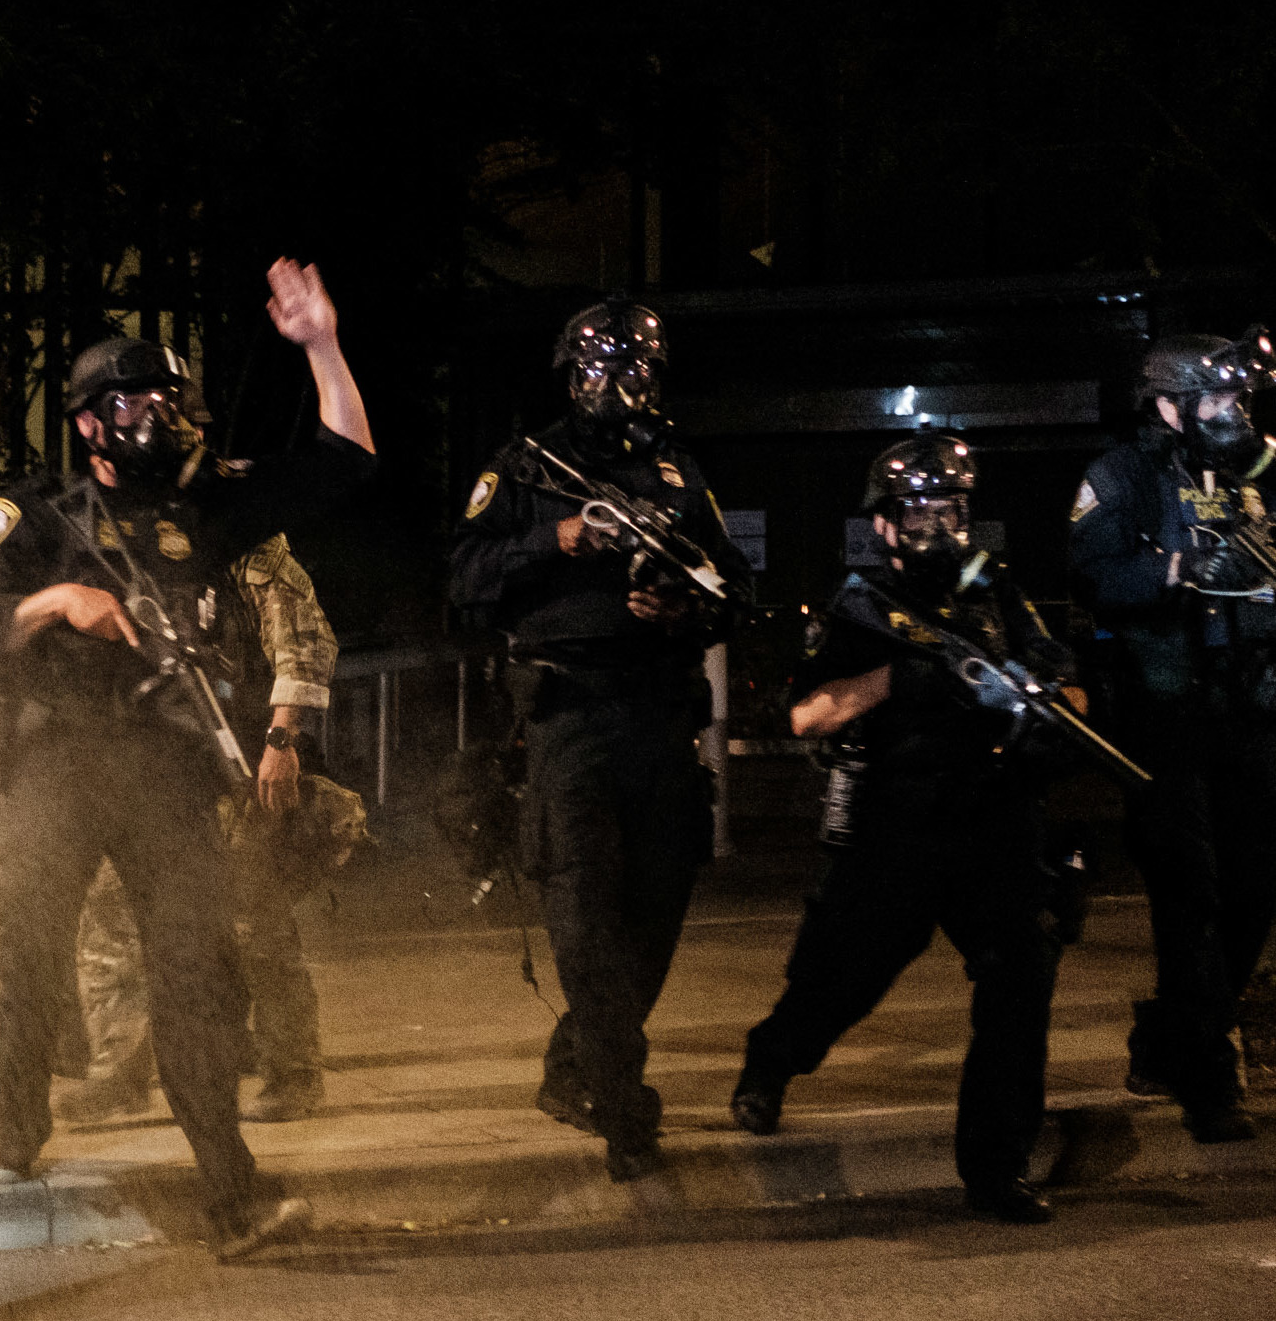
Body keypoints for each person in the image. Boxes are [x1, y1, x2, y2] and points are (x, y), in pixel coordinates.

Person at [0, 259, 373, 1255]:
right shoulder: (37, 517)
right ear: (90, 422)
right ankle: (15, 1142)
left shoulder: (207, 506)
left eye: (168, 397)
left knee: (192, 977)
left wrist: (319, 342)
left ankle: (232, 1198)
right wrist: (53, 603)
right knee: (31, 965)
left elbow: (344, 459)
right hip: (53, 770)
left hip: (166, 771)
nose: (155, 415)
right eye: (131, 401)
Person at [731, 434, 1078, 1222]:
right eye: (915, 509)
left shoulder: (997, 596)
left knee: (1019, 985)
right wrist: (901, 675)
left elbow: (1066, 686)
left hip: (994, 822)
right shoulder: (856, 608)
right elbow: (805, 714)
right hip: (898, 826)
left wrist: (1042, 700)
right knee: (840, 983)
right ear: (882, 523)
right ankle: (771, 1063)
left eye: (948, 508)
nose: (933, 524)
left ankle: (995, 1169)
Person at [448, 297, 750, 1181]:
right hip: (567, 717)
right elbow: (465, 577)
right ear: (569, 374)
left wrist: (685, 603)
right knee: (582, 924)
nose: (615, 387)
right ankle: (624, 1108)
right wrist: (560, 538)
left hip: (660, 717)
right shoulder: (525, 467)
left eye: (634, 370)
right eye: (596, 369)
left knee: (653, 917)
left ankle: (574, 1070)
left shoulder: (678, 472)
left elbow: (735, 587)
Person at [57, 532, 357, 1127]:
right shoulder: (93, 535)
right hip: (134, 761)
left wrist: (282, 740)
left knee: (253, 919)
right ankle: (121, 1074)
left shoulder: (234, 534)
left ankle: (292, 1070)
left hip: (229, 757)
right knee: (112, 923)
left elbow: (304, 641)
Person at [1069, 332, 1276, 1141]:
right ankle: (1207, 1082)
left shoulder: (1262, 474)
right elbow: (1088, 575)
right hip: (1166, 712)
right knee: (1188, 894)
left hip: (1252, 707)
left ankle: (1165, 1041)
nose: (1234, 414)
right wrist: (1174, 572)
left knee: (1255, 889)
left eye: (1238, 400)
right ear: (1168, 404)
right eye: (1218, 400)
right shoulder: (1120, 475)